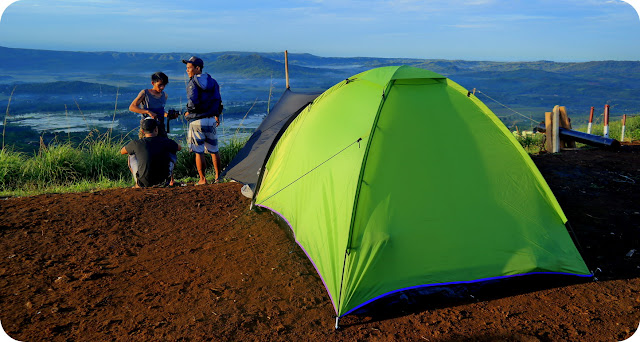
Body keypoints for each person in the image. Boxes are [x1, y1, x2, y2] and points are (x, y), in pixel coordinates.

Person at [182, 56, 223, 185]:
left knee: (198, 151)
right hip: (211, 119)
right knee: (214, 150)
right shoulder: (213, 82)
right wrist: (216, 114)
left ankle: (202, 179)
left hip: (197, 121)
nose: (187, 70)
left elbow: (192, 101)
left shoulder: (192, 82)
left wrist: (188, 112)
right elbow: (218, 100)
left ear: (197, 68)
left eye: (189, 68)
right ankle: (218, 176)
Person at [120, 118, 181, 188]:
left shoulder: (136, 143)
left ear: (142, 131)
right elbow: (179, 148)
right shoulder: (166, 141)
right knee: (172, 152)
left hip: (143, 183)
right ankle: (171, 181)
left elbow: (122, 151)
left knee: (131, 155)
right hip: (164, 182)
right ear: (156, 129)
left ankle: (137, 183)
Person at [129, 72, 170, 138]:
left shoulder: (164, 95)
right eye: (160, 85)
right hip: (147, 127)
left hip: (160, 127)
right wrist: (148, 112)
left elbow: (161, 111)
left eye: (164, 85)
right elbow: (132, 107)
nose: (162, 87)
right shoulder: (145, 93)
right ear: (153, 83)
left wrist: (168, 115)